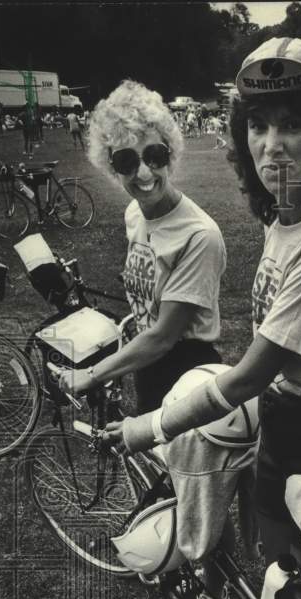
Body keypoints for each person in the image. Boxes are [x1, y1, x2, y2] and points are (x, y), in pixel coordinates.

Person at [104, 39, 301, 567]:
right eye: (258, 125)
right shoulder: (287, 219)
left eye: (292, 125)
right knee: (278, 569)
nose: (272, 145)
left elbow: (250, 375)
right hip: (283, 420)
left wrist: (150, 426)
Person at [59, 79, 226, 414]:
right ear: (110, 165)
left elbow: (165, 336)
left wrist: (90, 375)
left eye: (154, 155)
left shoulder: (199, 235)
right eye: (126, 162)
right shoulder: (134, 213)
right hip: (146, 361)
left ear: (170, 153)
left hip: (186, 371)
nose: (144, 173)